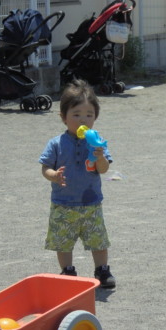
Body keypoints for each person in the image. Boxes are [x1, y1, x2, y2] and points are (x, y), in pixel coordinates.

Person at [39, 79, 115, 288]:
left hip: (91, 203)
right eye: (76, 115)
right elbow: (45, 167)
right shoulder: (56, 143)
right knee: (63, 242)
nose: (83, 120)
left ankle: (102, 269)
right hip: (63, 203)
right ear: (63, 117)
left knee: (98, 240)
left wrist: (100, 157)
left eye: (89, 115)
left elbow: (103, 169)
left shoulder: (97, 141)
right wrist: (54, 175)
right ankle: (68, 270)